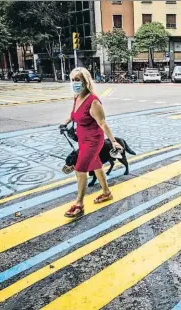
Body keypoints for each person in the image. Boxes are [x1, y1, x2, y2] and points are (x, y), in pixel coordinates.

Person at [60, 67, 123, 218]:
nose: (75, 83)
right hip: (82, 139)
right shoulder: (77, 97)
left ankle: (79, 204)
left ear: (85, 81)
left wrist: (113, 141)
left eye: (78, 80)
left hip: (94, 140)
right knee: (96, 165)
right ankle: (106, 192)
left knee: (80, 169)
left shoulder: (93, 101)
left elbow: (102, 123)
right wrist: (64, 123)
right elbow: (73, 114)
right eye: (73, 80)